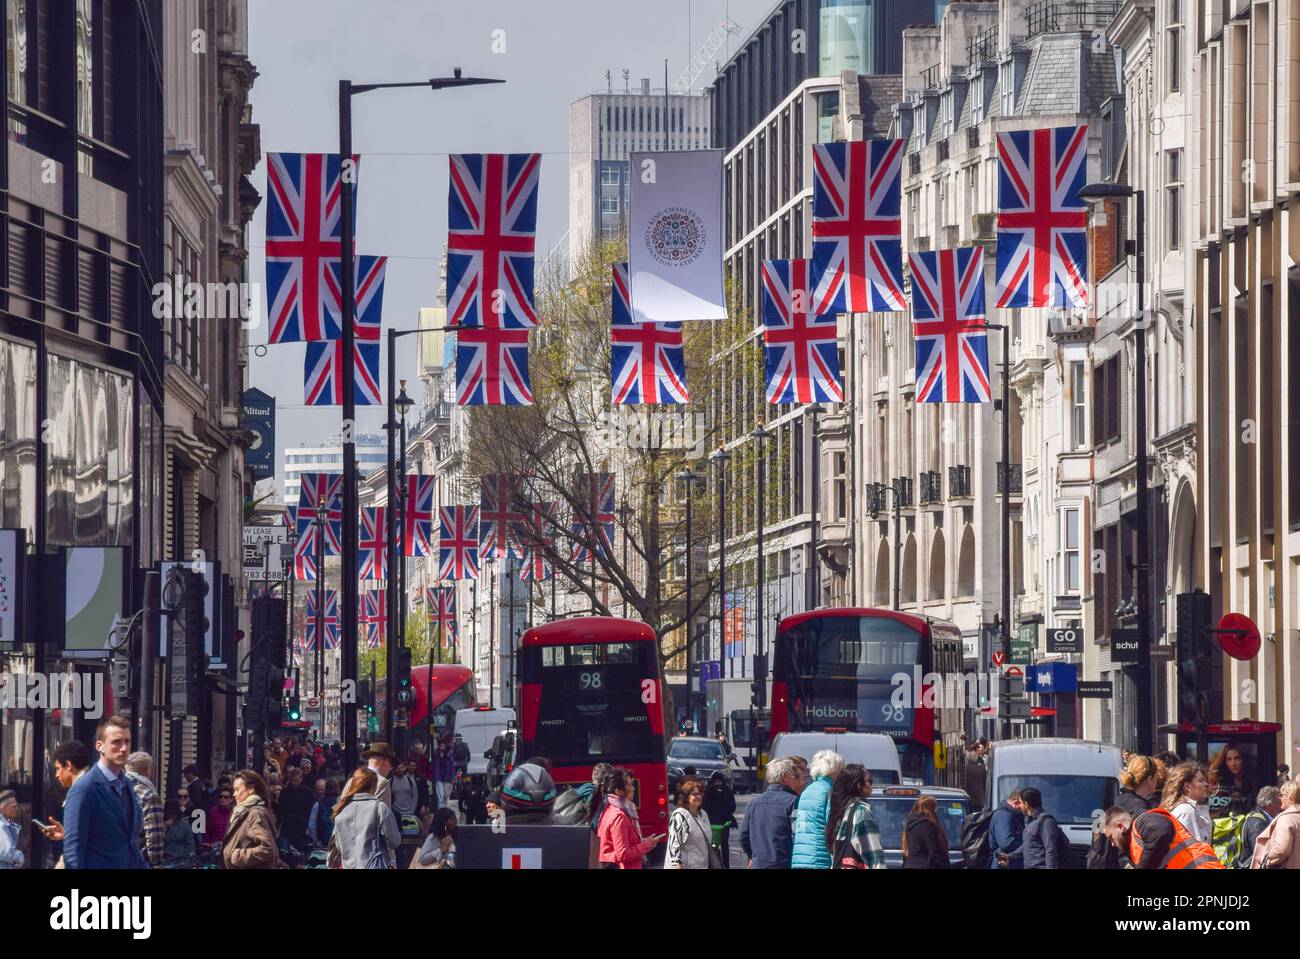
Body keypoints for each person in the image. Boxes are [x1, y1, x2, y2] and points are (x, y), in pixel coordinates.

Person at [61, 715, 148, 869]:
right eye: (116, 742)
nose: (123, 748)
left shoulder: (127, 784)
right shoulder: (84, 789)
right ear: (99, 746)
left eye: (127, 741)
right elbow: (73, 852)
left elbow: (131, 845)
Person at [1088, 754, 1165, 869]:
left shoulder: (1119, 800)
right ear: (1149, 779)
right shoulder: (1140, 810)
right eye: (1156, 778)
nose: (1157, 782)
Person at [739, 755, 809, 869]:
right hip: (783, 863)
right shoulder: (793, 801)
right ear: (784, 777)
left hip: (759, 863)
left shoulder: (754, 803)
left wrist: (753, 855)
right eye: (793, 776)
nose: (795, 778)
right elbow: (799, 835)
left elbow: (743, 835)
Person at [1101, 805, 1225, 869]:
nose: (1112, 844)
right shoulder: (1135, 843)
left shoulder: (1142, 821)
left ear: (1120, 826)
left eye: (1111, 837)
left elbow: (1160, 831)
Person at [331, 767, 402, 869]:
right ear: (373, 786)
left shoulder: (341, 809)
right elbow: (394, 841)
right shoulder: (379, 807)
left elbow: (338, 846)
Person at [36, 740, 93, 866]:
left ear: (68, 765)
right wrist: (66, 833)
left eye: (57, 769)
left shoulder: (80, 789)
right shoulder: (91, 783)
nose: (56, 775)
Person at [596, 767, 663, 868]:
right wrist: (647, 845)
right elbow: (623, 855)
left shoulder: (609, 809)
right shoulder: (619, 816)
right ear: (618, 791)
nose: (633, 788)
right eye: (630, 784)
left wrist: (643, 841)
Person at [824, 764, 886, 870]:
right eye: (869, 781)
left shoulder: (841, 811)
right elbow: (874, 856)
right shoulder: (861, 811)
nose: (872, 785)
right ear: (858, 785)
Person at [792, 749, 843, 869]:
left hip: (800, 857)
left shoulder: (807, 790)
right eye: (840, 769)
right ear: (833, 770)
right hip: (819, 858)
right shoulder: (829, 791)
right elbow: (832, 827)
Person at [222, 770, 280, 870]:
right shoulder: (242, 812)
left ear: (250, 789)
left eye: (237, 789)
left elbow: (268, 849)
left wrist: (235, 856)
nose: (234, 794)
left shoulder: (255, 813)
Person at [124, 751, 165, 867]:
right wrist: (156, 863)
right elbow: (154, 834)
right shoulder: (149, 796)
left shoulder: (117, 791)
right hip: (139, 859)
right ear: (147, 770)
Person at [664, 778, 714, 869]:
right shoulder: (680, 815)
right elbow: (674, 844)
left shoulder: (703, 814)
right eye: (694, 794)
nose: (698, 796)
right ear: (686, 797)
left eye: (700, 793)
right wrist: (677, 864)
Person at [1014, 787, 1067, 869]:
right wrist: (1010, 856)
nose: (1019, 806)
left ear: (1026, 804)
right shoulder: (1031, 821)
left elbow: (1050, 849)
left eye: (1020, 803)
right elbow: (1029, 845)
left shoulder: (1046, 821)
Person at [1252, 780, 1300, 868]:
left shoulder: (1286, 819)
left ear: (1290, 796)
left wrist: (1266, 858)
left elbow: (1281, 850)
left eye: (1281, 795)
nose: (1280, 798)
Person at [1163, 762, 1213, 844]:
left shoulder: (1188, 809)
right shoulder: (1186, 810)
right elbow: (1194, 849)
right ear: (1188, 786)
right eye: (1201, 781)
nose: (1206, 784)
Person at [1238, 786, 1281, 869]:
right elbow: (1260, 853)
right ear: (1269, 805)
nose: (1281, 807)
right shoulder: (1257, 822)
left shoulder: (1261, 819)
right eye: (1279, 802)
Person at [902, 795, 950, 869]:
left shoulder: (909, 825)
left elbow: (907, 852)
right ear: (931, 809)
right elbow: (934, 853)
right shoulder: (928, 826)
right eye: (935, 808)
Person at [702, 770, 737, 870]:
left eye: (719, 782)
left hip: (724, 823)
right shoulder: (708, 792)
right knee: (710, 845)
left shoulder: (726, 791)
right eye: (715, 782)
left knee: (724, 843)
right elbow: (704, 807)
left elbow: (732, 807)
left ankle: (726, 865)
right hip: (711, 823)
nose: (717, 784)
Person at [276, 765, 316, 852]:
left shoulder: (308, 793)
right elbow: (280, 810)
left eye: (296, 780)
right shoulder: (285, 792)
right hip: (287, 828)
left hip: (301, 829)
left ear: (301, 779)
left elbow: (311, 811)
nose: (294, 783)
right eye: (292, 780)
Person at [1209, 743, 1255, 817]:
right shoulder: (1221, 781)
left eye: (1237, 758)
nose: (1234, 763)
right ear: (1225, 762)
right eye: (1229, 759)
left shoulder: (1252, 779)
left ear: (1243, 759)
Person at [989, 789, 1026, 869]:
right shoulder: (1004, 815)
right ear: (1016, 803)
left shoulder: (1011, 815)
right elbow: (1006, 842)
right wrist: (1026, 849)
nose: (1025, 807)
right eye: (1023, 804)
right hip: (1003, 864)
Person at [362, 742, 396, 809]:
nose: (390, 768)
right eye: (391, 764)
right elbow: (385, 815)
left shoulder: (352, 779)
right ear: (385, 761)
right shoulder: (382, 783)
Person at [308, 778, 338, 848]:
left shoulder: (318, 804)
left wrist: (315, 841)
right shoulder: (343, 804)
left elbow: (311, 826)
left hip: (322, 843)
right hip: (338, 843)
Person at [0, 790, 22, 869]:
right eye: (14, 806)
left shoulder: (6, 824)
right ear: (3, 808)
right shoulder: (1, 826)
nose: (17, 808)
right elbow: (6, 853)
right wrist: (20, 856)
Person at [433, 741, 456, 811]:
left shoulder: (449, 757)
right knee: (440, 795)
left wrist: (453, 778)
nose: (442, 747)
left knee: (446, 795)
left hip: (447, 778)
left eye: (443, 745)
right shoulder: (435, 756)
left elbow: (452, 768)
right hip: (438, 777)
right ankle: (441, 811)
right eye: (441, 745)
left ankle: (445, 809)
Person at [964, 744, 988, 809]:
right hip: (981, 799)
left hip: (971, 798)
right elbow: (985, 781)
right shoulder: (981, 768)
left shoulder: (967, 768)